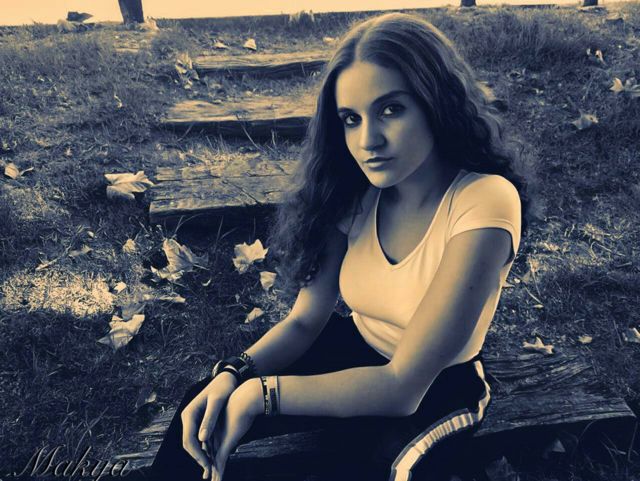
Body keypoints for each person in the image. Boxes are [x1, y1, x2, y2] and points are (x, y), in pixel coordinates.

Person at [125, 11, 530, 481]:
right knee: (202, 409)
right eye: (351, 119)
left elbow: (402, 387)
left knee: (390, 467)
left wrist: (262, 395)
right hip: (353, 348)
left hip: (438, 386)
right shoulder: (356, 193)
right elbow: (305, 320)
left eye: (391, 110)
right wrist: (235, 372)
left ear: (435, 102)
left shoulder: (483, 199)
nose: (368, 140)